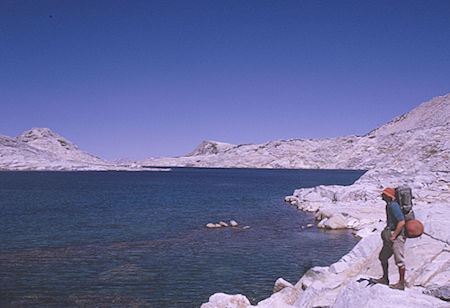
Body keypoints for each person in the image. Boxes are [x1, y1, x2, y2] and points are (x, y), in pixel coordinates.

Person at [372, 187, 407, 290]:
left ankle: (401, 283)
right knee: (383, 256)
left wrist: (394, 235)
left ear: (388, 196)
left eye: (383, 194)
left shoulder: (394, 206)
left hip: (397, 237)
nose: (381, 195)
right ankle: (385, 279)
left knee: (399, 260)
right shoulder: (389, 205)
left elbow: (401, 222)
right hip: (391, 236)